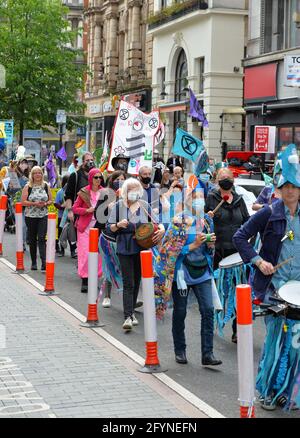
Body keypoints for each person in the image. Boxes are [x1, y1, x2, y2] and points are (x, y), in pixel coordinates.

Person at [233, 145, 300, 411]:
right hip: (276, 290)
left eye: (294, 185)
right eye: (285, 186)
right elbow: (240, 237)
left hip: (299, 289)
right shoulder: (269, 212)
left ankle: (288, 390)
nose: (290, 191)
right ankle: (267, 390)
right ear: (279, 188)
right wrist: (259, 261)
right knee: (275, 341)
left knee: (296, 343)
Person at [171, 184, 222, 366]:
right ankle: (180, 350)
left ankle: (207, 353)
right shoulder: (179, 220)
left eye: (201, 196)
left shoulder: (207, 221)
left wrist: (210, 245)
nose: (199, 200)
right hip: (183, 273)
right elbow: (170, 250)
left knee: (208, 310)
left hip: (203, 272)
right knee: (180, 311)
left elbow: (210, 251)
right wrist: (191, 246)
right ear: (187, 199)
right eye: (195, 197)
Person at [107, 178, 165, 331]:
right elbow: (108, 228)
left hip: (141, 247)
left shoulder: (144, 206)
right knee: (128, 282)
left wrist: (162, 229)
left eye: (136, 189)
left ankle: (131, 311)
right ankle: (127, 316)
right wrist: (118, 225)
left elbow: (157, 222)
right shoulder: (119, 207)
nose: (134, 192)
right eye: (131, 189)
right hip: (124, 247)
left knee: (137, 280)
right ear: (125, 191)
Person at [205, 167, 249, 342]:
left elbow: (247, 222)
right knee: (218, 290)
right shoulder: (211, 198)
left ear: (233, 180)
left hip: (238, 253)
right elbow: (201, 224)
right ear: (217, 180)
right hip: (218, 252)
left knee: (240, 289)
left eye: (228, 177)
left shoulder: (239, 200)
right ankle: (214, 323)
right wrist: (207, 218)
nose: (225, 180)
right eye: (222, 177)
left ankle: (238, 328)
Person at [94, 170, 126, 308]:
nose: (120, 181)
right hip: (108, 237)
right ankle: (107, 296)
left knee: (125, 268)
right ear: (111, 180)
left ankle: (128, 298)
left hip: (123, 237)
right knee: (108, 266)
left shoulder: (128, 195)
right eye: (117, 179)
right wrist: (108, 206)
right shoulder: (105, 194)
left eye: (123, 179)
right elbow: (98, 215)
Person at [73, 168, 103, 293]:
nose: (98, 180)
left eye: (100, 177)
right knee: (85, 254)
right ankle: (85, 280)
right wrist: (86, 211)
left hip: (99, 227)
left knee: (97, 255)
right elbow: (75, 208)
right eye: (95, 177)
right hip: (85, 228)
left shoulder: (105, 192)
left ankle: (94, 279)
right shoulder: (84, 192)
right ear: (90, 178)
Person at [64, 152, 96, 258]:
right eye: (87, 160)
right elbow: (68, 195)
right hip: (80, 213)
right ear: (82, 162)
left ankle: (90, 261)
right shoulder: (75, 175)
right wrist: (70, 211)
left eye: (91, 160)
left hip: (95, 214)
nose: (90, 162)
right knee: (82, 239)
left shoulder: (98, 175)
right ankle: (81, 258)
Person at [21, 166, 52, 271]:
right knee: (32, 239)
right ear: (32, 175)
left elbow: (51, 200)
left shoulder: (46, 185)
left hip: (43, 215)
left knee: (42, 238)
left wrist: (46, 203)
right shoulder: (28, 187)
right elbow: (23, 202)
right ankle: (34, 262)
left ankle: (44, 262)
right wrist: (34, 203)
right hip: (30, 216)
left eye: (39, 173)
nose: (38, 175)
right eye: (35, 173)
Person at [54, 174, 70, 257]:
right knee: (61, 234)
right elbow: (56, 203)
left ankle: (73, 250)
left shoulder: (72, 191)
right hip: (61, 216)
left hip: (70, 216)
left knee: (71, 234)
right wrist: (62, 206)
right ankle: (61, 250)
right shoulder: (60, 192)